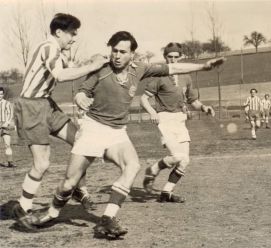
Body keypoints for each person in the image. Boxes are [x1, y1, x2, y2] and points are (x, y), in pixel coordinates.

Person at [31, 31, 225, 239]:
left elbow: (173, 67)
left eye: (123, 52)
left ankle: (107, 220)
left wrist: (204, 66)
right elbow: (82, 92)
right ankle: (52, 212)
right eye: (114, 50)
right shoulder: (101, 70)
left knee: (132, 166)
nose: (117, 55)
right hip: (93, 128)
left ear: (132, 54)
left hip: (117, 132)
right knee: (70, 182)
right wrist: (80, 99)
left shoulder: (139, 69)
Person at [12, 13, 108, 230]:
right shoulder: (48, 47)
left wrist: (94, 61)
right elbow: (62, 76)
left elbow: (72, 67)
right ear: (58, 32)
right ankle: (23, 207)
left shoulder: (58, 51)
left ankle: (76, 188)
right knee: (42, 164)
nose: (74, 38)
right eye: (72, 33)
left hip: (46, 104)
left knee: (81, 140)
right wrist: (92, 66)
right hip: (31, 107)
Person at [141, 42, 215, 203]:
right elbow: (143, 99)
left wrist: (204, 107)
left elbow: (193, 100)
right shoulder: (159, 76)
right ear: (165, 57)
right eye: (170, 57)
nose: (173, 60)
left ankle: (166, 193)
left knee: (185, 160)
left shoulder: (186, 76)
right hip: (165, 120)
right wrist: (152, 112)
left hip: (180, 121)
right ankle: (152, 170)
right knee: (176, 156)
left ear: (180, 57)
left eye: (176, 57)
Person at [0, 87, 16, 168]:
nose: (0, 96)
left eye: (1, 94)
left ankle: (10, 162)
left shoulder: (7, 103)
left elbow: (10, 114)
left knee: (7, 144)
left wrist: (7, 122)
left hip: (4, 125)